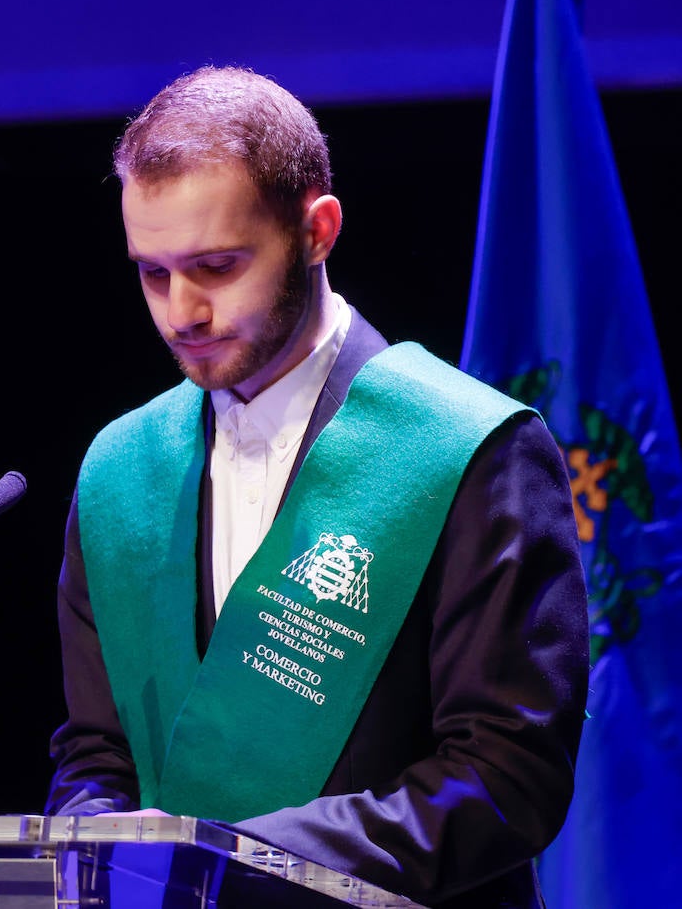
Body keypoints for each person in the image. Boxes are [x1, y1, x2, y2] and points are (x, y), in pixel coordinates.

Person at [44, 65, 589, 908]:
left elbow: (507, 777)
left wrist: (228, 866)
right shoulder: (121, 468)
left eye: (217, 266)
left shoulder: (470, 448)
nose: (180, 312)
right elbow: (98, 754)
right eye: (153, 273)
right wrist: (87, 846)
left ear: (317, 230)